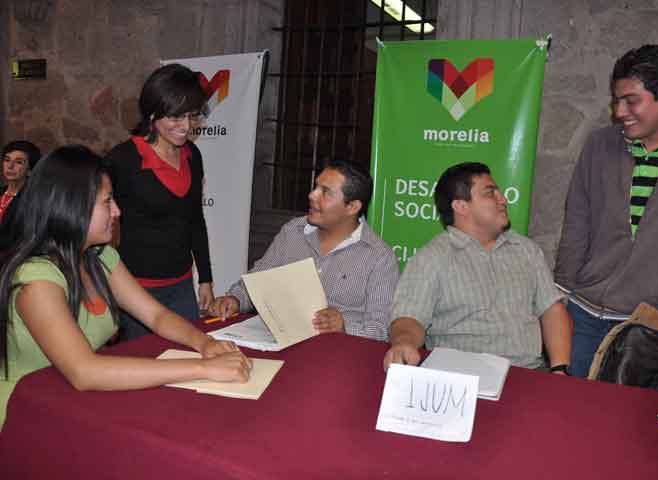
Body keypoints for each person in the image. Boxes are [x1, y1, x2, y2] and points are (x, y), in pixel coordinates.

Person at [0, 145, 251, 429]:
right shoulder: (36, 279)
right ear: (72, 206)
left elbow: (156, 315)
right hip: (24, 415)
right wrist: (203, 368)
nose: (117, 211)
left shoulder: (101, 257)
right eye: (107, 201)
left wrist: (204, 343)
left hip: (71, 403)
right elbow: (84, 371)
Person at [555, 45, 658, 378]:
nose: (619, 112)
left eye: (631, 101)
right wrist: (558, 295)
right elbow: (577, 223)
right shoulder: (600, 144)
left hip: (656, 325)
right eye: (616, 100)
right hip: (584, 315)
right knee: (572, 407)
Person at [384, 162, 572, 372]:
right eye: (490, 193)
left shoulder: (526, 250)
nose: (503, 199)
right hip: (461, 376)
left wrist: (559, 369)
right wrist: (403, 343)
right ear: (461, 206)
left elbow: (552, 309)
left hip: (528, 371)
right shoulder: (432, 258)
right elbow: (409, 318)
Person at [209, 161, 399, 342]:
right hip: (279, 341)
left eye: (325, 192)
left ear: (352, 207)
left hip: (338, 353)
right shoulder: (293, 231)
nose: (312, 195)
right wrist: (235, 299)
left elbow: (381, 329)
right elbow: (258, 281)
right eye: (316, 187)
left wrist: (345, 327)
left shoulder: (379, 257)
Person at [106, 63, 214, 341]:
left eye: (192, 116)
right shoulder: (123, 160)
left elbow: (195, 220)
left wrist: (205, 278)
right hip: (136, 292)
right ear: (153, 113)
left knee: (189, 356)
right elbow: (98, 224)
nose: (186, 127)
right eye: (176, 117)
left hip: (182, 286)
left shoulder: (193, 155)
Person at [1, 140, 41, 222]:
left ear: (30, 170)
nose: (10, 166)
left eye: (19, 162)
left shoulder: (33, 200)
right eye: (7, 160)